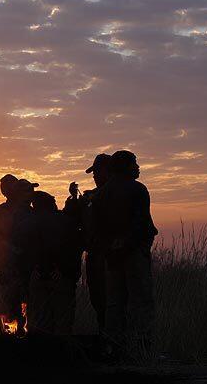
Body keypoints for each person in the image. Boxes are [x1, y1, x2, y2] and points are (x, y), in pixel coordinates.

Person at [94, 150, 158, 360]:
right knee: (140, 302)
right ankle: (141, 351)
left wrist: (111, 250)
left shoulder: (102, 194)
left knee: (114, 303)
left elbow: (98, 230)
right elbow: (140, 225)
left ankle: (114, 349)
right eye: (135, 163)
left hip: (112, 257)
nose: (138, 168)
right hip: (134, 254)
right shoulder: (138, 189)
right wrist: (128, 246)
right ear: (126, 166)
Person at [63, 154, 111, 332]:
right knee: (98, 298)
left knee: (112, 300)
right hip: (95, 256)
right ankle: (105, 335)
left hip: (110, 257)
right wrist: (74, 199)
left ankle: (115, 341)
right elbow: (73, 218)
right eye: (94, 172)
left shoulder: (114, 195)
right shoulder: (91, 196)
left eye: (98, 171)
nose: (95, 176)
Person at [0, 176, 37, 335]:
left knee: (24, 307)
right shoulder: (4, 212)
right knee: (15, 309)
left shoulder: (25, 212)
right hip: (14, 268)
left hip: (25, 268)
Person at [29, 191, 80, 335]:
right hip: (62, 277)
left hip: (40, 275)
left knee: (41, 322)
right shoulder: (66, 221)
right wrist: (63, 270)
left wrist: (40, 269)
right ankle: (61, 354)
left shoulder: (31, 222)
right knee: (63, 322)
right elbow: (74, 247)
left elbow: (26, 249)